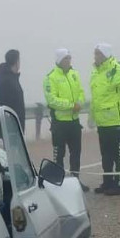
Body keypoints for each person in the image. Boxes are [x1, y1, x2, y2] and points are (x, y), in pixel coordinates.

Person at [89, 44, 120, 196]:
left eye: (98, 53)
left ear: (105, 54)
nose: (95, 56)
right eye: (95, 53)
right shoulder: (95, 73)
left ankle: (119, 184)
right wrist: (91, 117)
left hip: (116, 120)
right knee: (106, 155)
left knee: (118, 154)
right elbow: (95, 98)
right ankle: (107, 181)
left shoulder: (116, 68)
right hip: (102, 122)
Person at [43, 49, 88, 191]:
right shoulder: (50, 77)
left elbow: (81, 92)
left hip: (74, 123)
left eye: (69, 58)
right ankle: (59, 183)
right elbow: (52, 100)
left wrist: (79, 103)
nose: (68, 61)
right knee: (59, 154)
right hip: (59, 123)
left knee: (76, 153)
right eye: (65, 58)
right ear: (59, 60)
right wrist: (70, 106)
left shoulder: (74, 74)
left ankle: (76, 181)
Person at [0, 49, 25, 125]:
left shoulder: (11, 77)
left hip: (15, 121)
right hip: (11, 123)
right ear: (16, 62)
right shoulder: (6, 79)